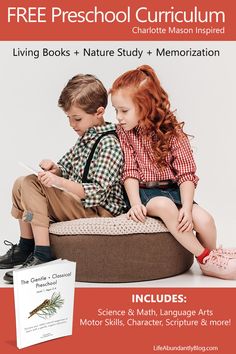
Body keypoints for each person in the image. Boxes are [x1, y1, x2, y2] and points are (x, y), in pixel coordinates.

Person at [110, 64, 236, 280]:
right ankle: (205, 256)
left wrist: (187, 208)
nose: (119, 117)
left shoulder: (172, 130)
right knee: (164, 206)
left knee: (205, 220)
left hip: (174, 190)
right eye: (116, 110)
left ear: (145, 106)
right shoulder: (124, 132)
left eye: (124, 110)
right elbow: (129, 170)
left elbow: (186, 174)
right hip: (145, 193)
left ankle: (210, 261)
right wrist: (135, 203)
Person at [0, 73, 126, 283]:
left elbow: (97, 192)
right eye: (69, 118)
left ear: (99, 112)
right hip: (79, 202)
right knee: (21, 183)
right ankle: (26, 245)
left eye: (77, 119)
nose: (72, 124)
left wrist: (58, 182)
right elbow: (66, 167)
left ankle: (42, 254)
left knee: (31, 184)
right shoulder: (86, 138)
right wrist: (55, 169)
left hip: (99, 210)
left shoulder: (109, 143)